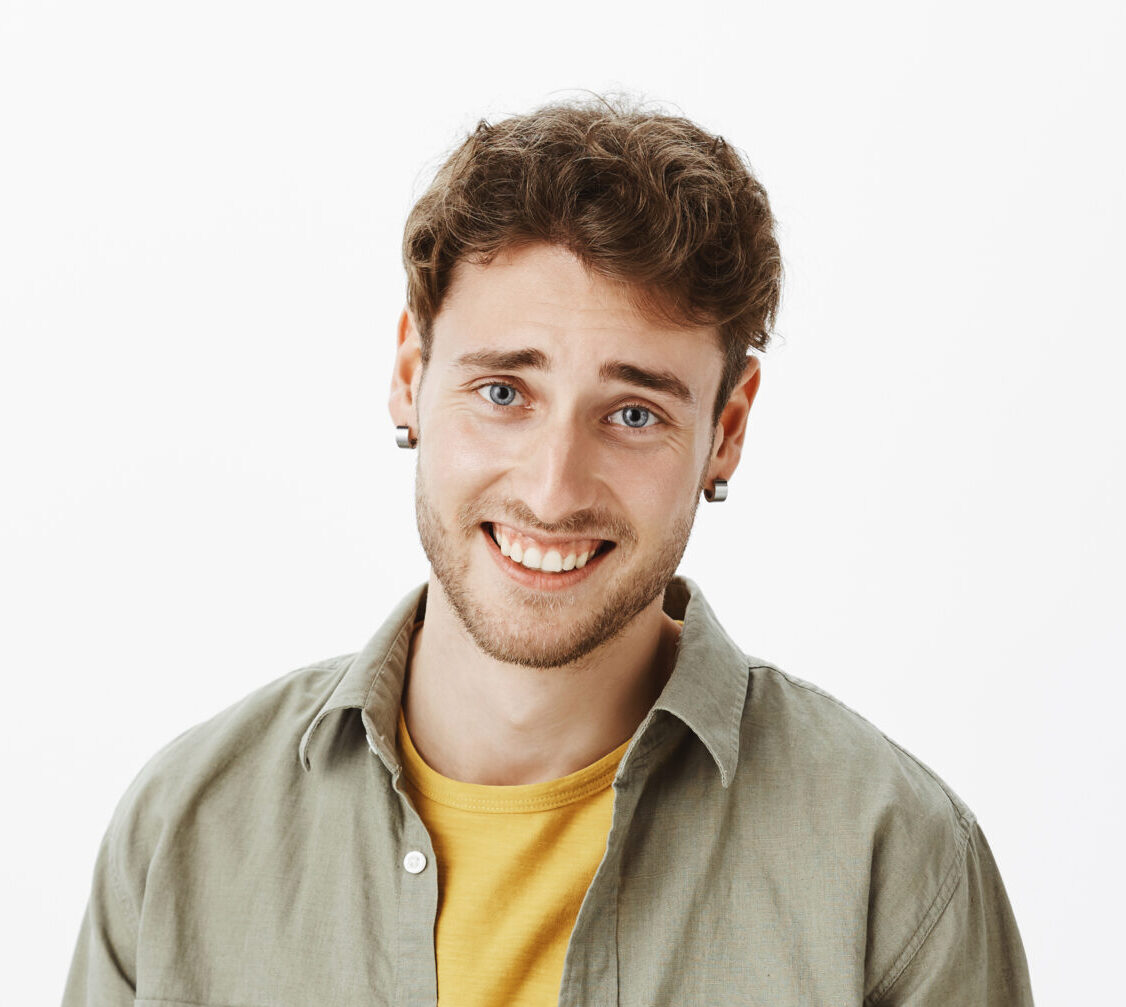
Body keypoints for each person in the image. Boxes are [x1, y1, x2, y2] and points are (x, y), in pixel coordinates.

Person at [63, 97, 1035, 1006]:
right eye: (502, 392)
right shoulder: (181, 837)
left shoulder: (897, 864)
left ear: (727, 430)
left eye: (632, 411)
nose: (552, 487)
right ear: (411, 374)